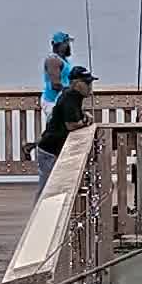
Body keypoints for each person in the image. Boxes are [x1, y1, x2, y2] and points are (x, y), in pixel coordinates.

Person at [34, 65, 95, 196]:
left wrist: (84, 115)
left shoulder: (72, 95)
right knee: (47, 189)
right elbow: (71, 125)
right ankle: (39, 215)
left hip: (54, 150)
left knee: (53, 188)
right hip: (49, 151)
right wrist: (85, 121)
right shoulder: (70, 97)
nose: (90, 87)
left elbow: (70, 115)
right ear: (77, 84)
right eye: (87, 83)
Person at [42, 31, 74, 121]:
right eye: (66, 42)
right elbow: (55, 84)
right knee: (57, 130)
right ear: (60, 44)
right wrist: (72, 91)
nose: (68, 45)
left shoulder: (63, 60)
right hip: (53, 101)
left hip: (62, 101)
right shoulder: (53, 60)